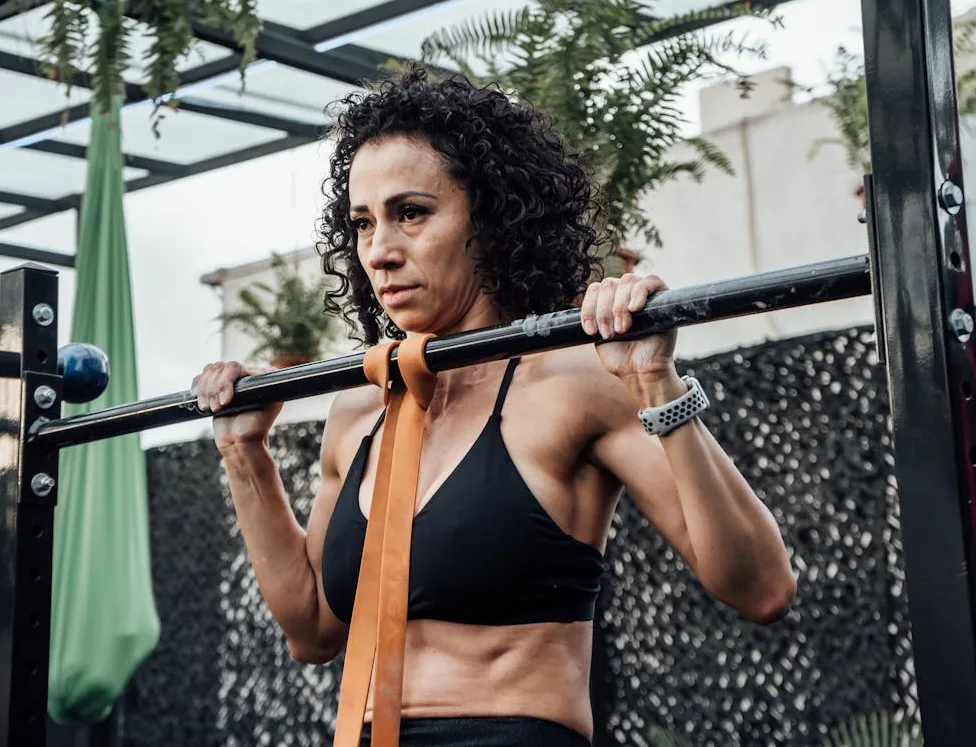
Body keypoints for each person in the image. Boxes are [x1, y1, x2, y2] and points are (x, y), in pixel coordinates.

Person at [191, 67, 796, 747]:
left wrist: (656, 380)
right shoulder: (361, 407)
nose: (380, 252)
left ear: (491, 217)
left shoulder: (568, 384)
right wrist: (244, 452)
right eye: (363, 223)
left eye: (411, 213)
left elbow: (763, 586)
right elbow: (312, 629)